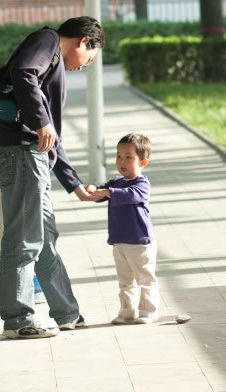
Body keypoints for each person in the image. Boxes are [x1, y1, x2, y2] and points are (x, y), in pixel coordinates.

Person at [0, 16, 105, 339]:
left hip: (31, 154)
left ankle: (67, 313)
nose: (84, 67)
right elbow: (23, 71)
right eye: (89, 59)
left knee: (45, 238)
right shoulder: (47, 40)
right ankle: (18, 320)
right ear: (84, 41)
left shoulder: (53, 62)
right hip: (20, 151)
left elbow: (53, 136)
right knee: (25, 238)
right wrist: (41, 121)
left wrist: (75, 184)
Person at [86, 133, 159, 324]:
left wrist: (107, 192)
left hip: (140, 242)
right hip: (119, 241)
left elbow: (130, 195)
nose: (122, 161)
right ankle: (127, 310)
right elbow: (103, 191)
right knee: (125, 280)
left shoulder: (142, 184)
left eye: (128, 157)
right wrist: (94, 189)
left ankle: (148, 311)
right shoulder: (116, 182)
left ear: (142, 163)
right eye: (119, 156)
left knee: (145, 278)